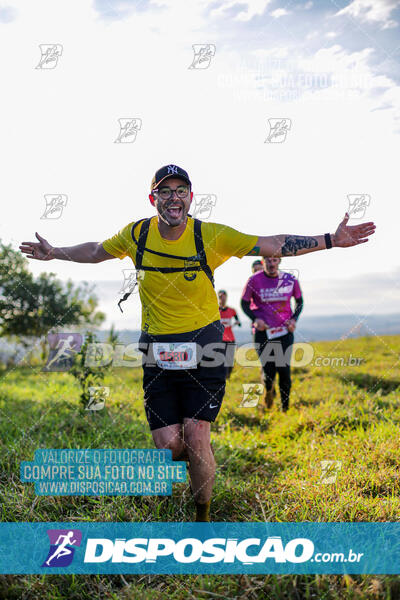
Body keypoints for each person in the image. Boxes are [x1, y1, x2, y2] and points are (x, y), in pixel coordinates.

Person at [19, 163, 376, 521]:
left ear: (190, 198)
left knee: (196, 435)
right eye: (165, 191)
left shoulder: (211, 236)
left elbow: (274, 243)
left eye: (180, 191)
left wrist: (331, 240)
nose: (173, 197)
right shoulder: (137, 235)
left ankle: (201, 517)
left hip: (206, 346)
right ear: (153, 198)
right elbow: (97, 250)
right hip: (156, 350)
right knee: (169, 447)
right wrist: (55, 252)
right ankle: (196, 461)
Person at [241, 257, 303, 411]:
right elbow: (244, 303)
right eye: (268, 260)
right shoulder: (254, 280)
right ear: (263, 262)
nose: (271, 263)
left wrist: (294, 319)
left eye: (275, 260)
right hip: (263, 333)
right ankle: (269, 394)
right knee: (268, 373)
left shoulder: (290, 279)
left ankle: (285, 408)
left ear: (279, 261)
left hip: (284, 332)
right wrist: (255, 319)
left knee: (284, 370)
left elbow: (299, 302)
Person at [218, 289, 241, 380]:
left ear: (226, 297)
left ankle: (228, 376)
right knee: (221, 359)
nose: (222, 299)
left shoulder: (232, 310)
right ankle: (223, 376)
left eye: (224, 296)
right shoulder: (215, 310)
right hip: (220, 339)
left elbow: (238, 321)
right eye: (220, 297)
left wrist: (237, 323)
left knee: (230, 359)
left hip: (230, 338)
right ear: (218, 298)